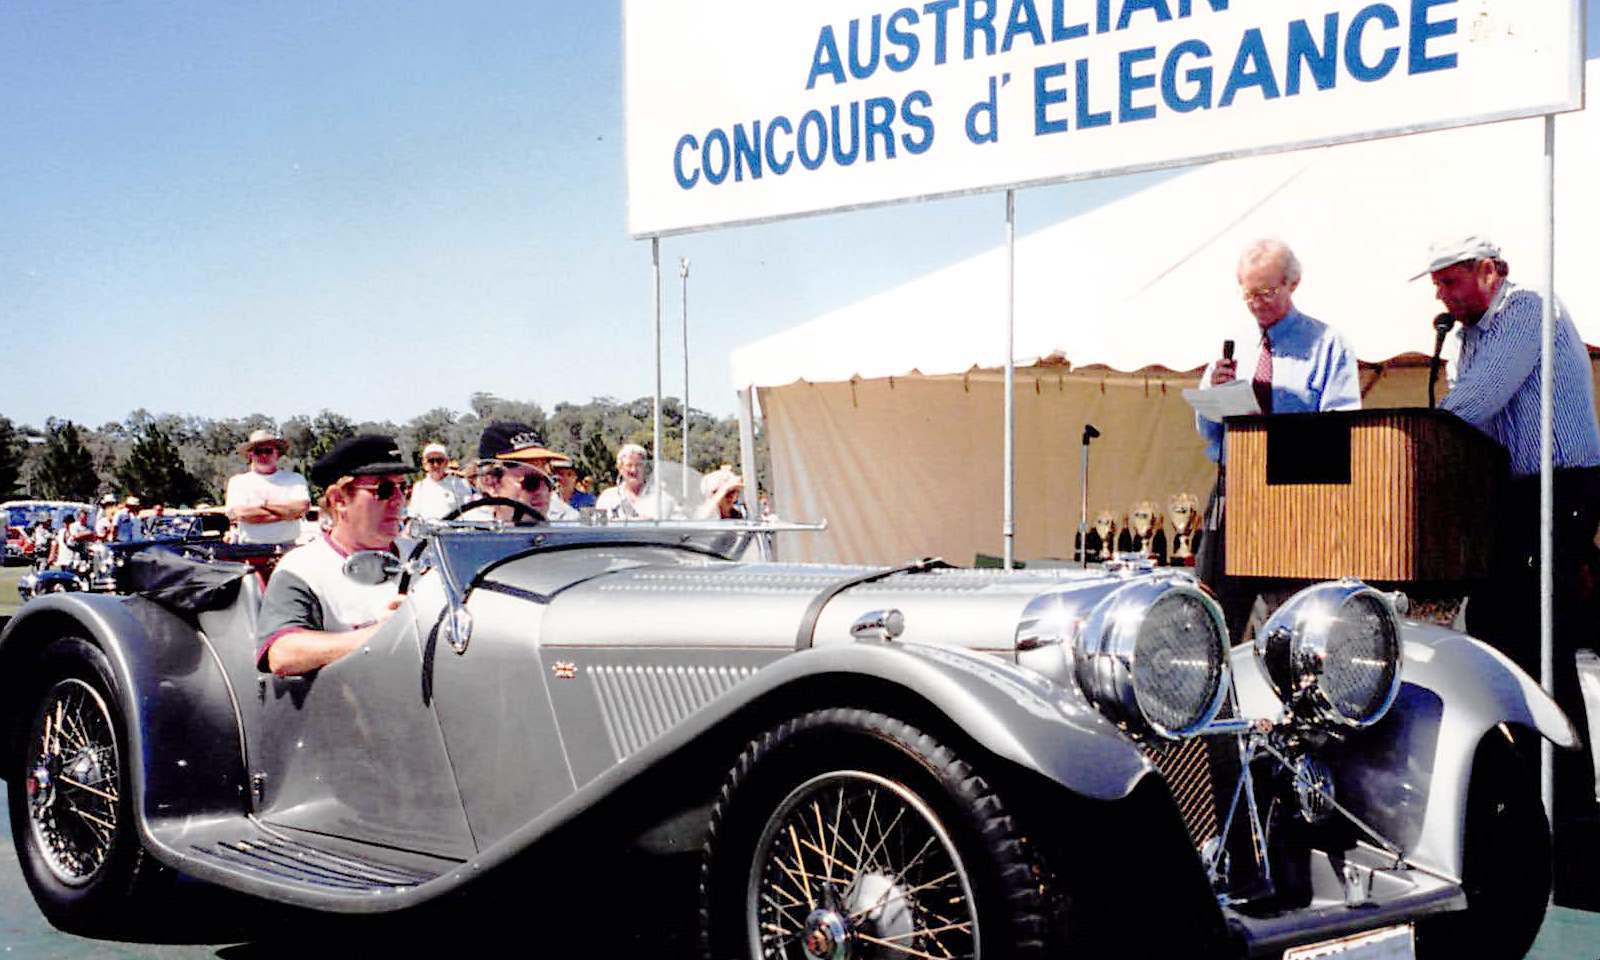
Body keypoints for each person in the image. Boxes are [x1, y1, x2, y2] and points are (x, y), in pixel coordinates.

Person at [1418, 235, 1600, 902]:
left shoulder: (1527, 311)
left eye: (1451, 280)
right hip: (1516, 501)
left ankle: (1575, 832)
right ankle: (1525, 807)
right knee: (1502, 644)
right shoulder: (1471, 333)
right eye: (1437, 283)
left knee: (1542, 653)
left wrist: (1417, 433)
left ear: (1489, 270)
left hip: (1556, 492)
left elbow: (1474, 405)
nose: (1441, 294)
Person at [1193, 239, 1361, 636]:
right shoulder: (1230, 343)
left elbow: (1341, 427)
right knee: (1214, 616)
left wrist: (1279, 433)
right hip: (1235, 491)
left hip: (1297, 495)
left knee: (1295, 621)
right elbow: (1208, 433)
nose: (1257, 304)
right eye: (1249, 294)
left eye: (1267, 292)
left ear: (1293, 284)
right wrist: (1213, 398)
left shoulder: (1327, 344)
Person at [255, 435, 411, 677]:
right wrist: (382, 634)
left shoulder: (426, 557)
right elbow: (281, 653)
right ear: (339, 500)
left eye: (403, 488)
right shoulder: (303, 568)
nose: (399, 500)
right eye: (384, 489)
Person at [225, 429, 310, 545]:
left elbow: (302, 508)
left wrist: (264, 505)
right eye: (258, 451)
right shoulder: (238, 482)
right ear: (251, 455)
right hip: (249, 549)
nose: (264, 455)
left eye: (268, 450)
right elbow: (242, 514)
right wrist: (288, 514)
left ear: (277, 453)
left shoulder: (295, 479)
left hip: (290, 547)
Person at [473, 421, 564, 523]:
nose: (543, 492)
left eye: (549, 482)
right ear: (491, 484)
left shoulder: (569, 528)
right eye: (531, 483)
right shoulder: (463, 534)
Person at [596, 443, 679, 519]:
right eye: (629, 465)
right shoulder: (608, 498)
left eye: (639, 465)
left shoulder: (662, 497)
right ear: (620, 468)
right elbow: (599, 530)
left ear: (645, 468)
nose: (634, 470)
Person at [407, 442, 474, 520]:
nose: (436, 465)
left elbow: (469, 513)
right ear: (425, 464)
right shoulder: (419, 487)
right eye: (431, 461)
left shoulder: (460, 483)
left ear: (446, 463)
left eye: (439, 460)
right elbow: (413, 515)